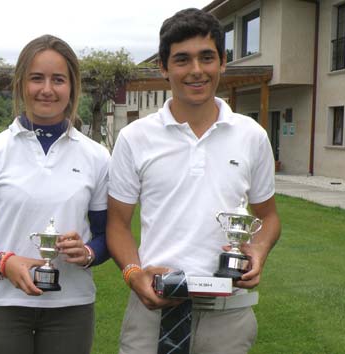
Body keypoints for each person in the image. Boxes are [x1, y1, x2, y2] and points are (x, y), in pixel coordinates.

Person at [107, 8, 281, 354]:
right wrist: (132, 273)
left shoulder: (252, 135)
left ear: (223, 62)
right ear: (164, 66)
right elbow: (117, 223)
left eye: (207, 58)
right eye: (183, 60)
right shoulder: (134, 137)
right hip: (154, 306)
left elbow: (268, 215)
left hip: (228, 313)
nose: (197, 71)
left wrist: (258, 250)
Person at [0, 34, 110, 354]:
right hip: (1, 305)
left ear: (72, 87)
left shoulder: (97, 157)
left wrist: (88, 252)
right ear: (21, 84)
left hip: (71, 307)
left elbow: (108, 236)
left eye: (58, 79)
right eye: (37, 78)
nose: (47, 89)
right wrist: (3, 262)